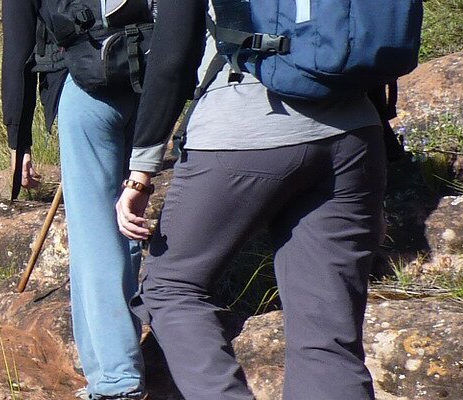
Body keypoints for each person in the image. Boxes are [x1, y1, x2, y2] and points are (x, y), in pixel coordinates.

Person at [120, 0, 405, 398]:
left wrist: (140, 173)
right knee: (328, 332)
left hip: (241, 132)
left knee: (170, 288)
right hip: (354, 135)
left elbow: (172, 56)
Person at [1, 0, 152, 397]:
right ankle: (112, 361)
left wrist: (19, 139)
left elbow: (18, 50)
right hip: (147, 79)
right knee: (125, 223)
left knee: (96, 235)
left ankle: (117, 376)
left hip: (85, 89)